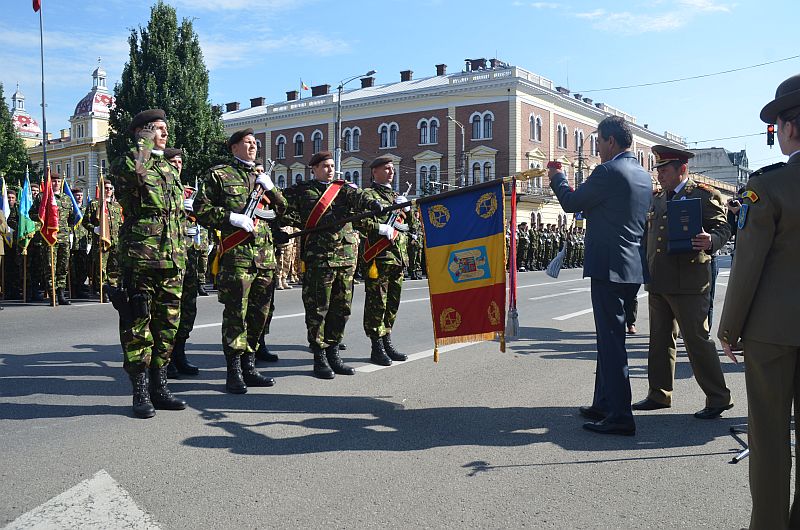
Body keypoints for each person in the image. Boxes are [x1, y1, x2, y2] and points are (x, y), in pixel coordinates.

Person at [718, 74, 800, 529]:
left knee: (769, 437)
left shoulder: (767, 187)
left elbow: (747, 264)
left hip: (772, 331)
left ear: (787, 128)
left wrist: (729, 328)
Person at [548, 115, 652, 436]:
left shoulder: (608, 171)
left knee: (611, 342)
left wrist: (558, 177)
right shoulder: (642, 174)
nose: (597, 149)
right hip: (630, 266)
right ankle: (604, 402)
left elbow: (570, 202)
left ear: (610, 141)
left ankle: (621, 415)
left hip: (609, 266)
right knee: (608, 339)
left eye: (598, 142)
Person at [632, 145, 733, 419]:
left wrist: (712, 240)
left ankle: (718, 397)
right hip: (659, 280)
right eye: (659, 170)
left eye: (665, 170)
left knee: (696, 341)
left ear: (682, 169)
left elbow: (723, 227)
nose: (660, 175)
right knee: (660, 340)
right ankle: (659, 394)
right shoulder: (657, 198)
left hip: (689, 281)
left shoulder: (702, 195)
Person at [194, 129, 286, 394]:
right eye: (246, 143)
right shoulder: (219, 175)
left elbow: (285, 211)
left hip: (265, 258)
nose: (252, 146)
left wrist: (272, 189)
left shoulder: (262, 178)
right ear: (233, 148)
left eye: (254, 143)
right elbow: (200, 209)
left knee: (260, 314)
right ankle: (233, 371)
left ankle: (250, 365)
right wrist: (231, 218)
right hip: (237, 258)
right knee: (236, 315)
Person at [111, 108, 186, 418]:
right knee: (137, 326)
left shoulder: (169, 170)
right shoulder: (129, 160)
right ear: (141, 131)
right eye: (158, 128)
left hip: (172, 260)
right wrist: (143, 144)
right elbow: (133, 173)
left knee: (167, 327)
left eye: (166, 128)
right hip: (141, 259)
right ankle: (140, 390)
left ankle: (160, 386)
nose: (164, 134)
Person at [282, 151, 375, 379]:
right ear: (313, 168)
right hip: (320, 259)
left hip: (345, 258)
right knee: (318, 310)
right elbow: (281, 206)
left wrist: (373, 204)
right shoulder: (303, 190)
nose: (330, 169)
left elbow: (359, 198)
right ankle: (319, 357)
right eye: (325, 166)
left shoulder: (343, 188)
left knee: (341, 309)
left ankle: (334, 352)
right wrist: (283, 226)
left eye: (332, 165)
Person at [358, 156, 410, 366]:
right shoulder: (367, 195)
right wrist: (379, 228)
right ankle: (376, 346)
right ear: (374, 172)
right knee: (376, 303)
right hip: (378, 258)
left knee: (392, 304)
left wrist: (407, 210)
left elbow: (410, 226)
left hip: (398, 258)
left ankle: (387, 340)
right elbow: (359, 221)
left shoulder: (397, 196)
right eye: (386, 169)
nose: (391, 172)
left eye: (392, 169)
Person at [165, 147, 200, 379]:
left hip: (190, 256)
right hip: (169, 257)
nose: (178, 165)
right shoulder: (160, 187)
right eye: (173, 161)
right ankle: (165, 360)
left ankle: (180, 353)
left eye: (180, 161)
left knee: (188, 309)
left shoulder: (188, 191)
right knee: (168, 312)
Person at [83, 181, 122, 301]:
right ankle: (103, 290)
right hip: (101, 242)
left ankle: (113, 290)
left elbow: (121, 223)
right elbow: (85, 221)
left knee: (114, 267)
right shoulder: (95, 204)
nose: (108, 190)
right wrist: (94, 229)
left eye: (110, 188)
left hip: (115, 242)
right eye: (106, 188)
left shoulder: (117, 206)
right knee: (102, 268)